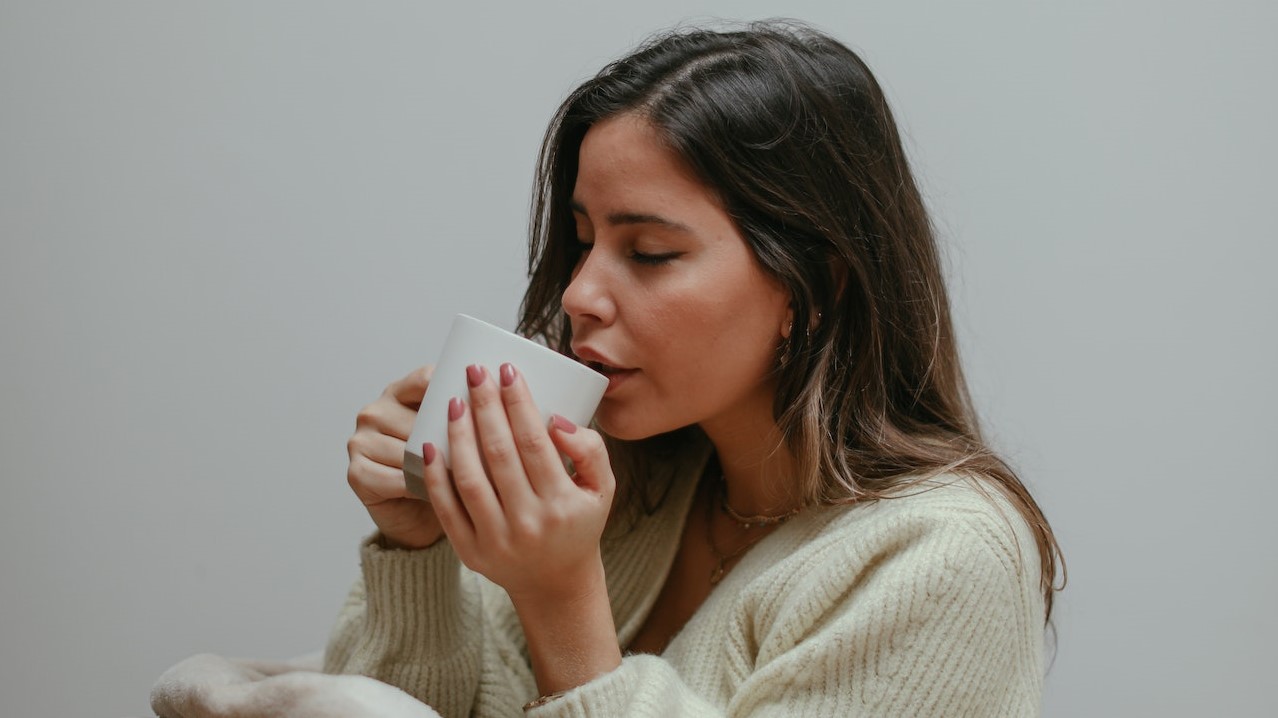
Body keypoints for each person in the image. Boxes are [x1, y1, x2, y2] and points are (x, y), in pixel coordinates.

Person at [327, 20, 1063, 717]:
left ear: (816, 287)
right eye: (582, 242)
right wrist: (415, 548)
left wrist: (562, 604)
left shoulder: (945, 556)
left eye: (649, 252)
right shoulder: (615, 476)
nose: (579, 295)